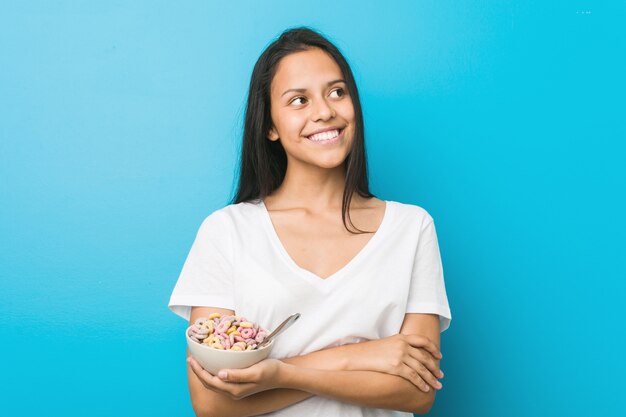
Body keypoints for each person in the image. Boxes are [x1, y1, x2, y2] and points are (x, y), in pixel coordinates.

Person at [168, 26, 452, 417]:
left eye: (337, 92)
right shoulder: (227, 231)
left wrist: (279, 374)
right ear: (269, 125)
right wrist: (361, 356)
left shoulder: (411, 227)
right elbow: (212, 401)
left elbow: (417, 392)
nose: (324, 111)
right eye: (299, 100)